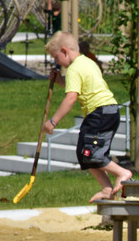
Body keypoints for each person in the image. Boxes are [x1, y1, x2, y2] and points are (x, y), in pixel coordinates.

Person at [42, 31, 132, 203]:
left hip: (99, 113)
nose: (57, 63)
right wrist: (60, 80)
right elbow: (80, 87)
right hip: (108, 111)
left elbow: (71, 98)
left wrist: (53, 121)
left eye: (56, 58)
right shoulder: (87, 62)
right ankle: (107, 189)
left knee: (91, 154)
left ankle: (122, 173)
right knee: (85, 153)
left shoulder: (75, 68)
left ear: (64, 51)